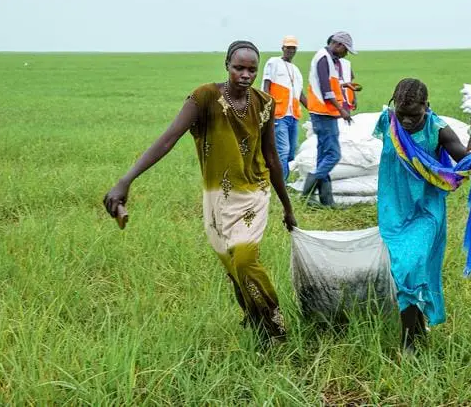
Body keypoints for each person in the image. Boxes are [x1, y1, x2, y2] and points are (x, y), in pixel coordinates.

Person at [103, 41, 297, 346]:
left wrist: (287, 207)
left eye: (251, 70)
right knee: (234, 269)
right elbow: (168, 139)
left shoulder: (265, 103)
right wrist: (126, 180)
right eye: (239, 68)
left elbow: (271, 156)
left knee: (245, 260)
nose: (246, 75)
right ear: (227, 65)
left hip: (253, 192)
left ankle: (275, 328)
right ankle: (255, 320)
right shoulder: (205, 98)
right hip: (217, 197)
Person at [373, 79, 471, 354]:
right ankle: (417, 328)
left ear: (426, 106)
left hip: (426, 213)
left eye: (414, 115)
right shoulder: (388, 122)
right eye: (402, 113)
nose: (406, 121)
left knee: (409, 267)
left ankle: (408, 342)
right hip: (394, 211)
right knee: (406, 271)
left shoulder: (438, 130)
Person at [301, 31, 356, 207]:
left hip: (325, 113)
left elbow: (328, 84)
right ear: (338, 45)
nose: (346, 54)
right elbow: (326, 91)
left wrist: (344, 85)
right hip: (324, 113)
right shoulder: (323, 58)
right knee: (333, 154)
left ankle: (326, 200)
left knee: (323, 155)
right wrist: (342, 110)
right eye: (346, 50)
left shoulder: (329, 60)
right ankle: (307, 190)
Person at [262, 35, 308, 182]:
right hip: (278, 115)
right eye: (288, 47)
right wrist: (268, 109)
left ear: (296, 50)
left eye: (293, 48)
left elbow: (300, 94)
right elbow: (266, 85)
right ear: (282, 48)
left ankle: (282, 180)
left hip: (293, 116)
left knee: (291, 152)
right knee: (283, 150)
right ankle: (280, 183)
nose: (290, 50)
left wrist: (313, 110)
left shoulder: (296, 70)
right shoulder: (273, 62)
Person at [327, 35, 359, 112]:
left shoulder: (346, 63)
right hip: (333, 103)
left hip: (345, 101)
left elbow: (350, 82)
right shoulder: (326, 62)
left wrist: (354, 98)